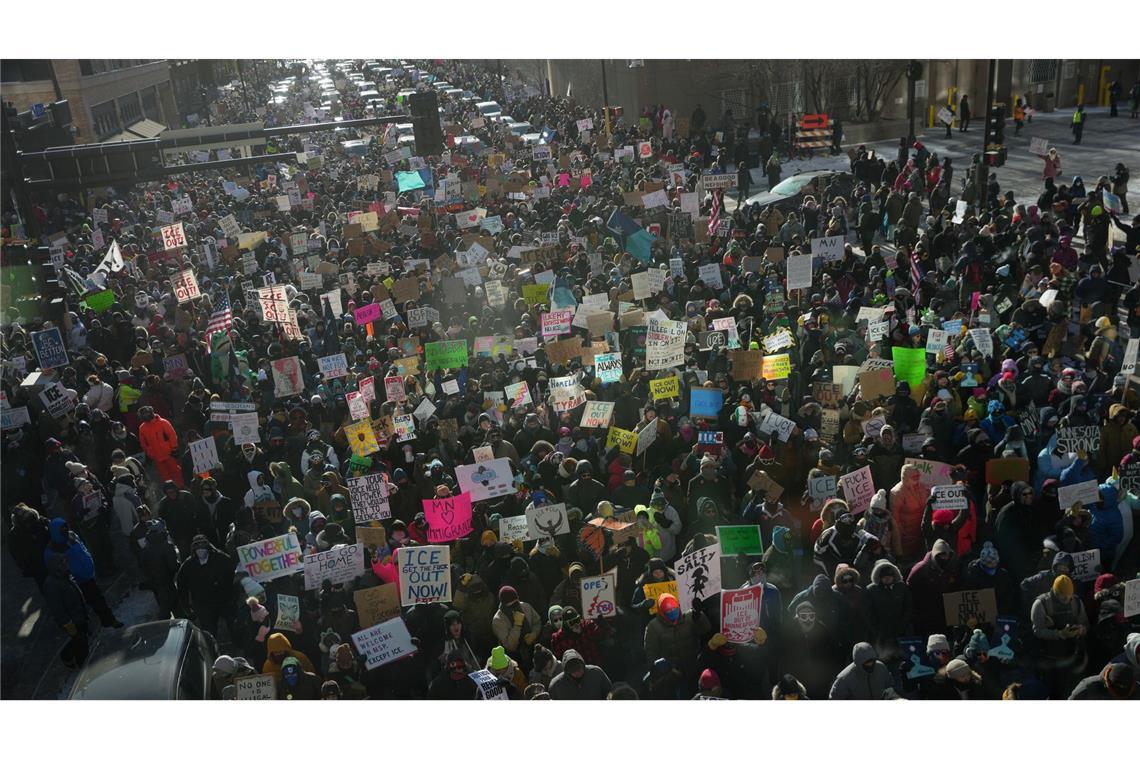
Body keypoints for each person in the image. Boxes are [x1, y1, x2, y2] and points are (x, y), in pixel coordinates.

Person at [548, 648, 612, 699]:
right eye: (573, 670)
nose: (577, 672)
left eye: (579, 668)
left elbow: (610, 692)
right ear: (567, 671)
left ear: (583, 664)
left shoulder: (596, 673)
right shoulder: (555, 685)